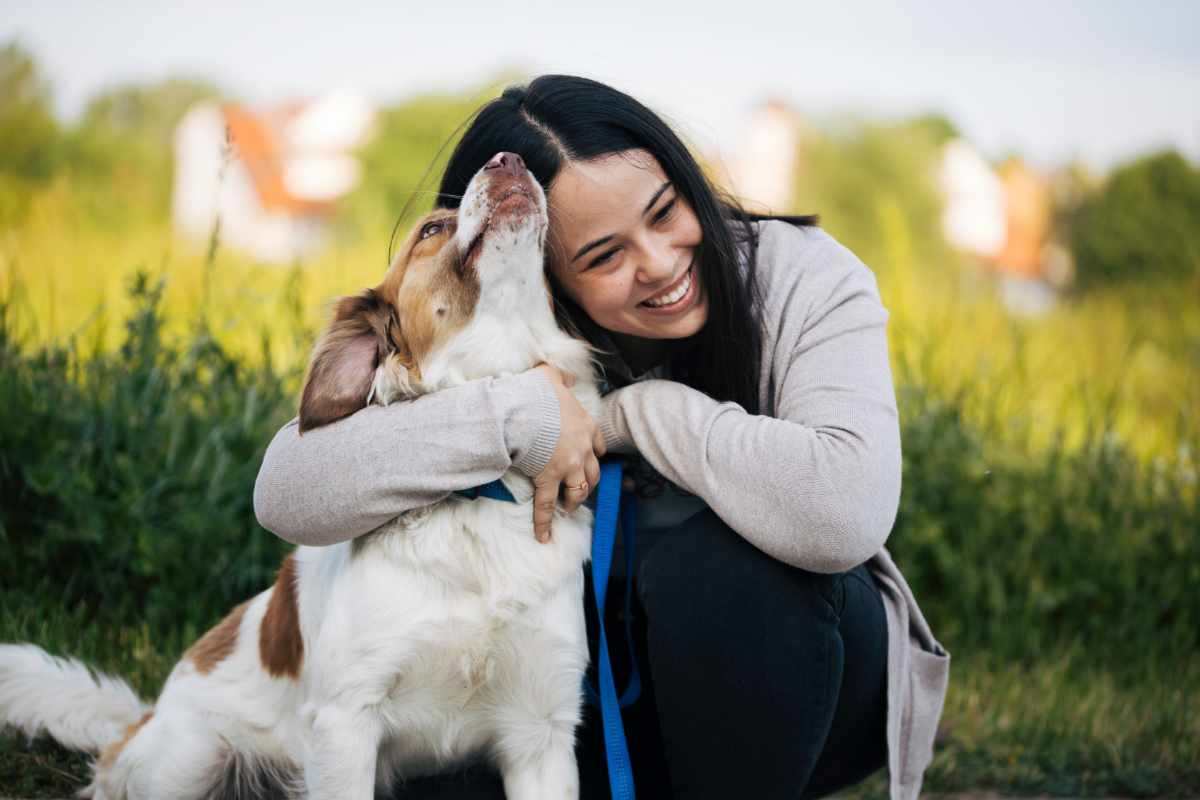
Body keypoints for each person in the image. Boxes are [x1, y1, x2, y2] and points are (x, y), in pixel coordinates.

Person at [253, 75, 949, 800]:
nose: (659, 264)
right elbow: (287, 490)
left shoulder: (804, 277)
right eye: (604, 257)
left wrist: (631, 415)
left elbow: (844, 510)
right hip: (578, 706)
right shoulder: (516, 334)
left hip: (804, 685)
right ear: (543, 267)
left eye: (665, 211)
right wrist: (520, 414)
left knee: (722, 562)